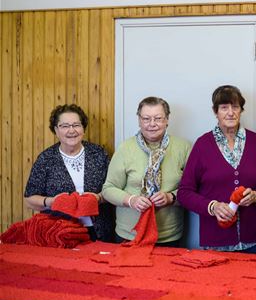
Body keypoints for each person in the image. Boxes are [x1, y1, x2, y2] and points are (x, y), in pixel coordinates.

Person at [178, 85, 256, 253]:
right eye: (224, 107)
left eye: (235, 107)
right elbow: (184, 192)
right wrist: (212, 206)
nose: (230, 112)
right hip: (216, 239)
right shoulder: (202, 145)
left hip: (255, 239)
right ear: (216, 112)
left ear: (241, 110)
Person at [102, 97, 191, 247]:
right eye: (146, 118)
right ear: (139, 120)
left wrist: (171, 197)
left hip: (169, 236)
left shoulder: (184, 148)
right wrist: (131, 200)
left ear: (167, 120)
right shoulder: (125, 148)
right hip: (129, 235)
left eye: (158, 118)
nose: (152, 124)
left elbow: (193, 190)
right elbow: (108, 189)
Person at [24, 104, 114, 242]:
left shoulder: (98, 154)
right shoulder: (46, 159)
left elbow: (113, 187)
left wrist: (99, 197)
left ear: (83, 128)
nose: (71, 130)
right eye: (65, 126)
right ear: (56, 130)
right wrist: (51, 202)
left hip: (100, 231)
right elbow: (29, 199)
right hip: (61, 232)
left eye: (76, 125)